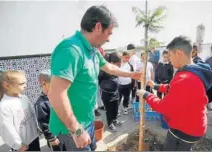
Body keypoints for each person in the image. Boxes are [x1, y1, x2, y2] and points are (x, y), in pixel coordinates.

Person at [48, 5, 141, 151]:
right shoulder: (71, 50)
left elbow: (108, 67)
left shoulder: (92, 50)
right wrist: (76, 130)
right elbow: (56, 94)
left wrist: (131, 74)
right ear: (98, 27)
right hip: (71, 130)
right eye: (109, 33)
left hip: (87, 121)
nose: (109, 39)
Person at [137, 36, 212, 151]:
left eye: (170, 55)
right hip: (194, 123)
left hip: (185, 128)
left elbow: (163, 107)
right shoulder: (193, 71)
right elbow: (173, 88)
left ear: (178, 53)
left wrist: (145, 94)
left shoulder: (185, 78)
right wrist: (156, 86)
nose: (169, 59)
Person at [0, 70, 40, 151]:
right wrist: (18, 145)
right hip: (23, 145)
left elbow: (32, 114)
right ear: (7, 85)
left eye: (25, 83)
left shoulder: (24, 98)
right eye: (21, 83)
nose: (25, 85)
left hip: (34, 138)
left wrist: (37, 128)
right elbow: (7, 129)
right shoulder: (4, 106)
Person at [34, 69, 62, 151]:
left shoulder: (57, 95)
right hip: (54, 136)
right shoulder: (41, 104)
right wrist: (51, 138)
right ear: (44, 84)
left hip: (63, 132)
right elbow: (43, 123)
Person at [98, 52, 124, 131]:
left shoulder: (115, 68)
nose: (119, 64)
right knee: (109, 110)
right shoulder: (104, 69)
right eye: (118, 63)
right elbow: (99, 79)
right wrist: (106, 87)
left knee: (115, 107)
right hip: (106, 93)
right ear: (112, 62)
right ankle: (110, 123)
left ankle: (115, 120)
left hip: (115, 92)